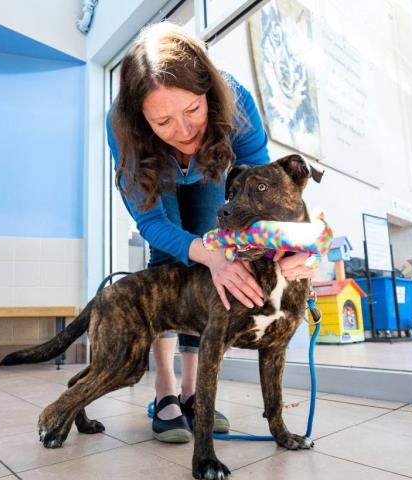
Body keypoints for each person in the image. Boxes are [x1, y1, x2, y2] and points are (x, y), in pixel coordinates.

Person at [104, 21, 316, 443]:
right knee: (172, 262)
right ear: (141, 119)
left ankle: (193, 392)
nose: (183, 132)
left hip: (210, 172)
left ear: (208, 93)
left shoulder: (236, 102)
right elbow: (152, 223)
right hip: (156, 174)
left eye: (192, 111)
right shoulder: (123, 127)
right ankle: (164, 390)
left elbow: (268, 193)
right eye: (163, 121)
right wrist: (208, 253)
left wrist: (293, 248)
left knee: (208, 267)